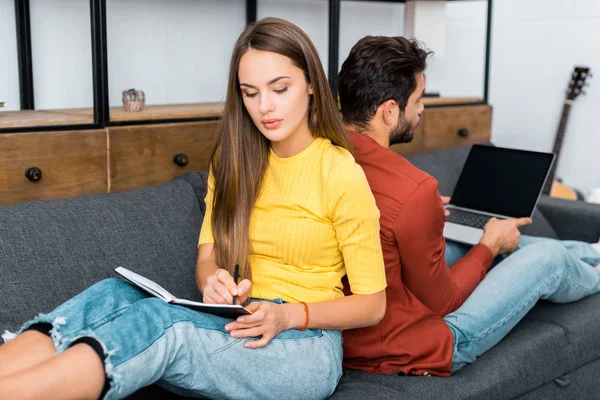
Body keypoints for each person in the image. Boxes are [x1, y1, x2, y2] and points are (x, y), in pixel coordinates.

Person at [0, 19, 387, 400]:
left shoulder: (339, 172)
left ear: (312, 86)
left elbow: (373, 304)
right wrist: (212, 282)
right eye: (250, 93)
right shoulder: (233, 161)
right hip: (239, 322)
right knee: (113, 294)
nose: (265, 107)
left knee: (162, 325)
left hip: (306, 345)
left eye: (279, 88)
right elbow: (208, 256)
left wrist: (288, 315)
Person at [337, 35, 600, 376]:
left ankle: (591, 251)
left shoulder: (325, 156)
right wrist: (489, 245)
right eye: (418, 100)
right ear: (390, 111)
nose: (421, 110)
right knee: (544, 260)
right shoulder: (412, 188)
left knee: (466, 240)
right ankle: (593, 272)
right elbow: (442, 302)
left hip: (362, 327)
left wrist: (425, 214)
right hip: (415, 345)